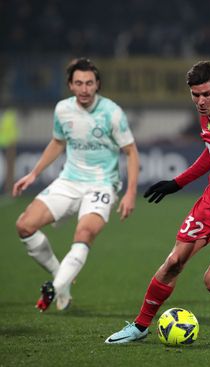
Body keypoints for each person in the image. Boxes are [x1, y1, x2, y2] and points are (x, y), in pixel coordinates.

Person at [105, 61, 210, 344]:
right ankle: (140, 326)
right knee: (174, 261)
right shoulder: (206, 114)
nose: (200, 101)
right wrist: (178, 183)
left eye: (207, 94)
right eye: (195, 95)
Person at [13, 58, 140, 312]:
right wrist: (34, 174)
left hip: (102, 185)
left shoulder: (112, 113)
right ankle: (62, 277)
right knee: (24, 225)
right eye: (79, 83)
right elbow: (58, 142)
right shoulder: (62, 110)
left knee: (84, 234)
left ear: (97, 85)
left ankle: (55, 287)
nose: (84, 89)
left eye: (89, 83)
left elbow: (131, 152)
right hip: (69, 181)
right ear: (70, 85)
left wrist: (130, 193)